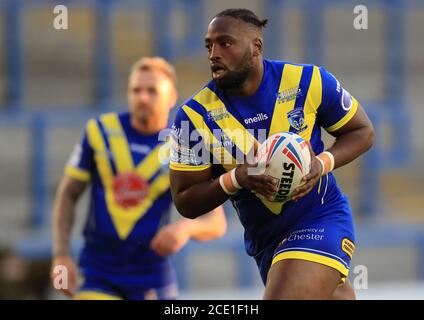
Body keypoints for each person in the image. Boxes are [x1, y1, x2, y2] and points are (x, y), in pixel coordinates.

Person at [169, 9, 375, 300]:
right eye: (208, 45)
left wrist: (320, 163)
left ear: (256, 47)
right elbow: (185, 200)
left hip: (320, 218)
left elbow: (362, 132)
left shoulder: (309, 80)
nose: (214, 53)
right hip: (266, 241)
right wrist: (237, 178)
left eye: (225, 43)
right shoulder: (194, 117)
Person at [51, 57, 227, 300]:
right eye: (136, 90)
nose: (142, 97)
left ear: (172, 96)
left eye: (152, 91)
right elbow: (68, 194)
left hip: (152, 275)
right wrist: (61, 254)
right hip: (98, 272)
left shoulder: (183, 144)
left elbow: (216, 224)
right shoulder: (100, 132)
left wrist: (185, 229)